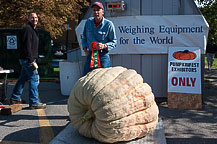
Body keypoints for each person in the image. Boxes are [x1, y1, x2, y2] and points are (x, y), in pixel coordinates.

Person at [9, 12, 46, 109]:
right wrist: (30, 59)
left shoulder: (33, 30)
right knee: (34, 79)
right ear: (28, 19)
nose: (35, 19)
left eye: (36, 17)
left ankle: (15, 98)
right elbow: (27, 46)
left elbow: (33, 46)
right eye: (32, 17)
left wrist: (36, 56)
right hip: (27, 59)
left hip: (28, 58)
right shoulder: (27, 30)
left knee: (22, 79)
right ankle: (34, 102)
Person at [82, 1, 117, 76]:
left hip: (103, 56)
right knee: (86, 79)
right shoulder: (88, 22)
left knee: (103, 80)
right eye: (94, 10)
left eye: (98, 10)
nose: (96, 12)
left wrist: (104, 46)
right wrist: (85, 49)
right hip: (91, 55)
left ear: (103, 11)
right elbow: (84, 36)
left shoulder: (109, 25)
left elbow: (114, 42)